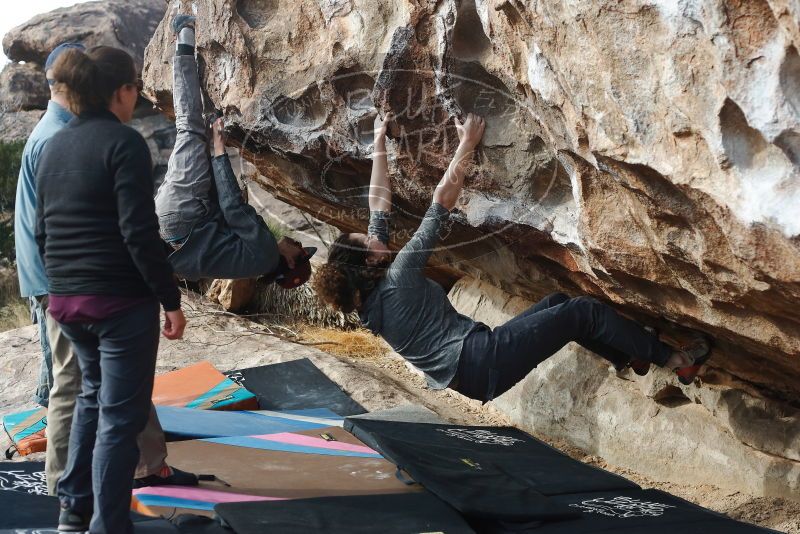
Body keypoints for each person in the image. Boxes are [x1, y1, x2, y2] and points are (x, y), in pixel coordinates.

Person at [313, 113, 712, 403]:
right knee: (582, 312)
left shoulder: (370, 290)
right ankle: (675, 359)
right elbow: (441, 203)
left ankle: (629, 353)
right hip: (480, 360)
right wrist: (466, 144)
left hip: (470, 370)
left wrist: (380, 142)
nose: (373, 234)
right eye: (367, 239)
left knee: (557, 306)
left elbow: (377, 203)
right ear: (368, 260)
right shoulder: (398, 275)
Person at [15, 43, 196, 500]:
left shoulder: (59, 135)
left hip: (66, 286)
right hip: (75, 285)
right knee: (77, 390)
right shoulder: (64, 138)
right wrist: (165, 296)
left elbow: (44, 226)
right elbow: (133, 228)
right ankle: (66, 489)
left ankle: (141, 470)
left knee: (107, 387)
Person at [154, 15, 313, 286]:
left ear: (289, 261)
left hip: (186, 212)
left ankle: (184, 37)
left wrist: (219, 149)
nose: (298, 243)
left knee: (189, 127)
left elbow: (231, 206)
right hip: (174, 223)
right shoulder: (253, 263)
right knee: (198, 132)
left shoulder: (264, 252)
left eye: (301, 251)